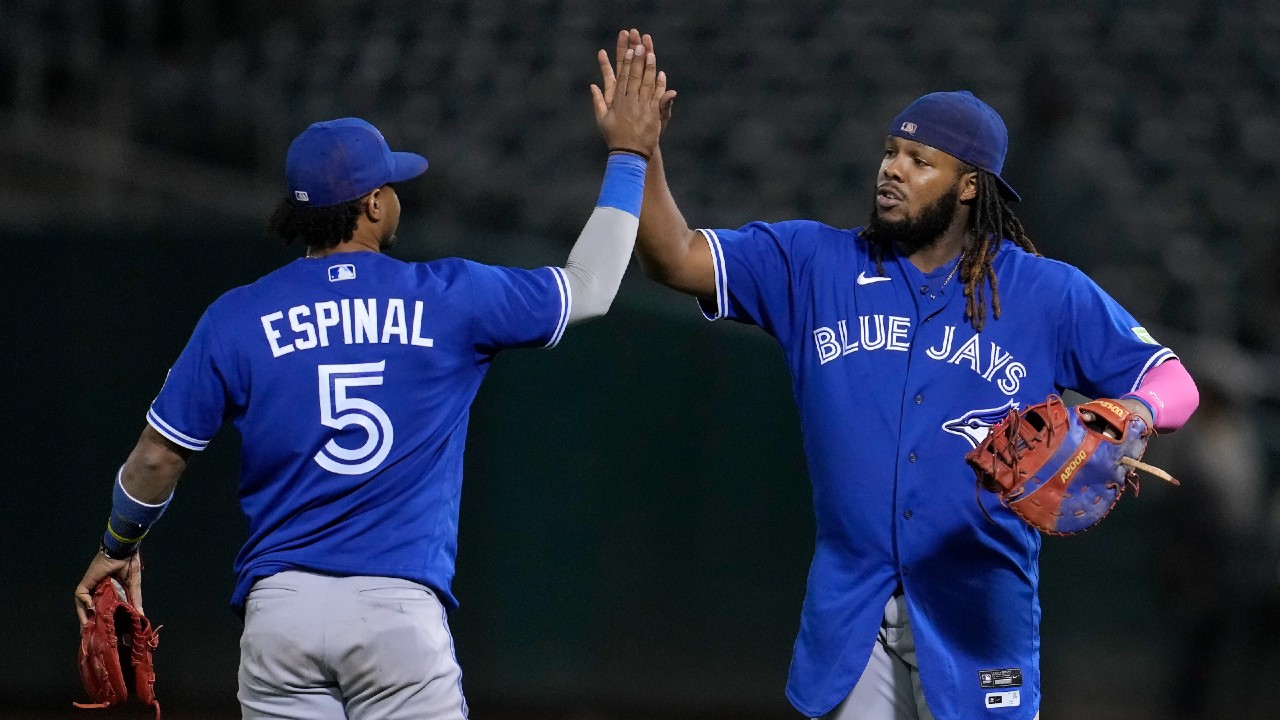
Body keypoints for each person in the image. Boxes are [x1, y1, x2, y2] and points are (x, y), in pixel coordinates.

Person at [606, 30, 1201, 720]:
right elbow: (672, 258)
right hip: (849, 617)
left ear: (969, 187)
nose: (892, 169)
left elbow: (1172, 380)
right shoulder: (811, 264)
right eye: (890, 152)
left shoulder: (1045, 293)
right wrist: (638, 152)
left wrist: (1136, 412)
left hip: (981, 616)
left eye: (920, 160)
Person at [74, 45, 669, 719]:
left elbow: (156, 457)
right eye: (391, 188)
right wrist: (629, 157)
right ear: (374, 205)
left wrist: (117, 547)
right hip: (396, 615)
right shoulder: (449, 296)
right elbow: (589, 289)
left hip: (281, 616)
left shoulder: (237, 316)